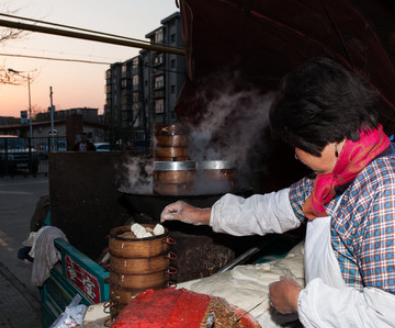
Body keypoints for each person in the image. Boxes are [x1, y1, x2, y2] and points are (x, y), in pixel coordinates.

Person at [160, 57, 395, 327]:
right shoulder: (334, 175)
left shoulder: (383, 192)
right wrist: (201, 215)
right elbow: (274, 209)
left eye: (298, 144)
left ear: (328, 134)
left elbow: (386, 314)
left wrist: (299, 302)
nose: (295, 155)